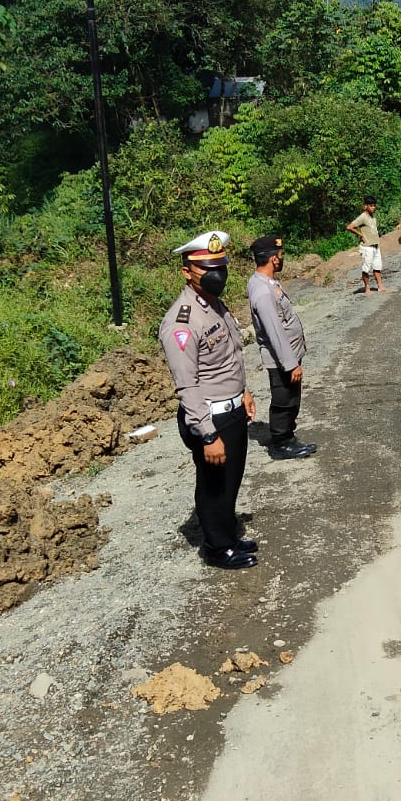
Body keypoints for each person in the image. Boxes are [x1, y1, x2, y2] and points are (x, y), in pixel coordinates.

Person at [159, 230, 258, 570]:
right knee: (214, 485)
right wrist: (208, 434)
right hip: (210, 418)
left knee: (230, 480)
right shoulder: (181, 322)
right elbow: (187, 386)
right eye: (207, 268)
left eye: (221, 265)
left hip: (231, 409)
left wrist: (242, 391)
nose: (218, 274)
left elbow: (230, 356)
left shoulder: (215, 305)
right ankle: (217, 548)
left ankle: (227, 534)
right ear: (187, 271)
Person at [246, 235, 317, 460]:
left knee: (290, 398)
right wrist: (290, 364)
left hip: (286, 356)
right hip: (281, 359)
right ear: (274, 260)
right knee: (284, 401)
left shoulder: (265, 283)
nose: (282, 258)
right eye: (281, 255)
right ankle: (281, 444)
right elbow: (275, 332)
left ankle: (288, 436)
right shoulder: (263, 291)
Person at [346, 196, 387, 293]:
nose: (373, 207)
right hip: (367, 246)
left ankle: (380, 286)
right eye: (371, 206)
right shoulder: (362, 217)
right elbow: (349, 227)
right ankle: (367, 287)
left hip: (375, 245)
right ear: (365, 206)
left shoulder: (372, 216)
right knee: (366, 268)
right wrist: (360, 234)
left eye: (374, 206)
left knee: (377, 267)